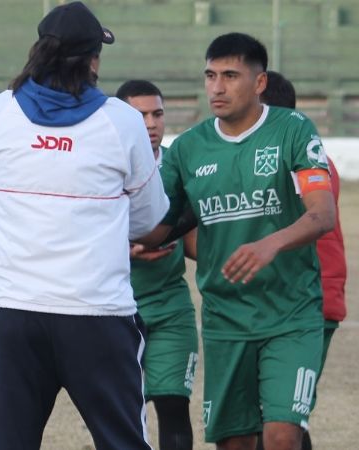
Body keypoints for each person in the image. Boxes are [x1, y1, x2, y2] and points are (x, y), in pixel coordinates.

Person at [0, 2, 168, 448]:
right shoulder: (122, 121)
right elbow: (148, 218)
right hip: (97, 315)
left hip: (12, 314)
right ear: (93, 60)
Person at [142, 33, 336, 450]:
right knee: (234, 443)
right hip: (225, 320)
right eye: (211, 75)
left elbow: (323, 214)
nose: (217, 86)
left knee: (282, 434)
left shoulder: (292, 130)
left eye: (230, 75)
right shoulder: (189, 149)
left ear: (260, 82)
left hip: (291, 314)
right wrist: (129, 236)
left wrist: (271, 244)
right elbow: (157, 224)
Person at [255, 71, 348, 450]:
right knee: (282, 416)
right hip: (280, 300)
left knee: (282, 418)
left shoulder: (305, 161)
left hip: (308, 301)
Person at [117, 79, 198, 450]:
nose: (151, 123)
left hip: (170, 306)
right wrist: (127, 248)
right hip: (114, 307)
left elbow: (197, 237)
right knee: (121, 414)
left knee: (174, 407)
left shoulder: (182, 168)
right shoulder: (102, 167)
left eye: (158, 114)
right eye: (140, 115)